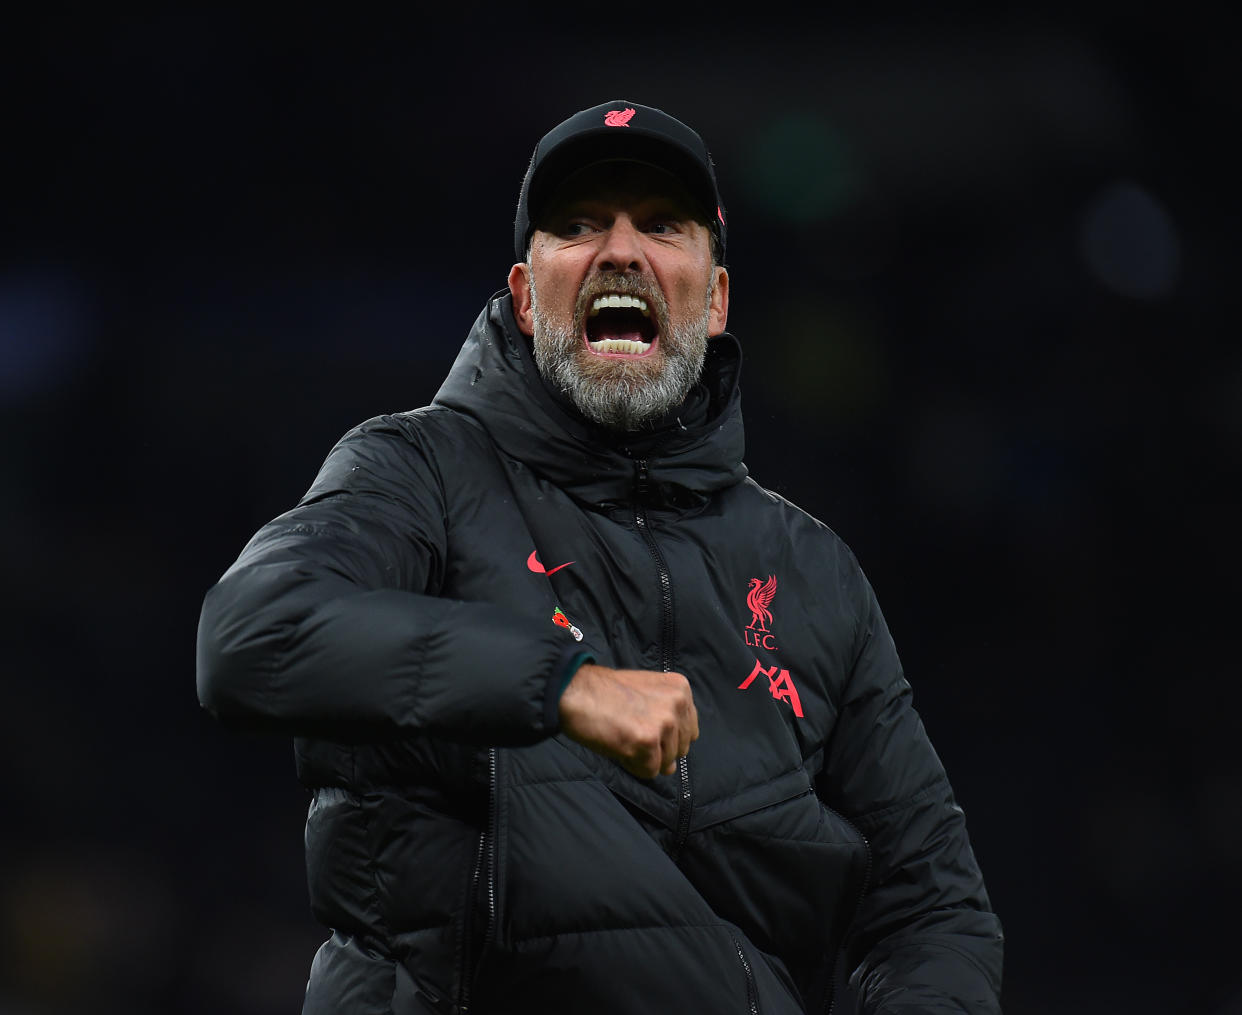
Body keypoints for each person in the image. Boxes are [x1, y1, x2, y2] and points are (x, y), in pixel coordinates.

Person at [196, 99, 1004, 1014]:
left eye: (662, 225)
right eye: (578, 225)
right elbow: (250, 634)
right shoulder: (417, 471)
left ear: (719, 295)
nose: (621, 250)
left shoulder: (813, 571)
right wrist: (561, 684)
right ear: (524, 293)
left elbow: (933, 908)